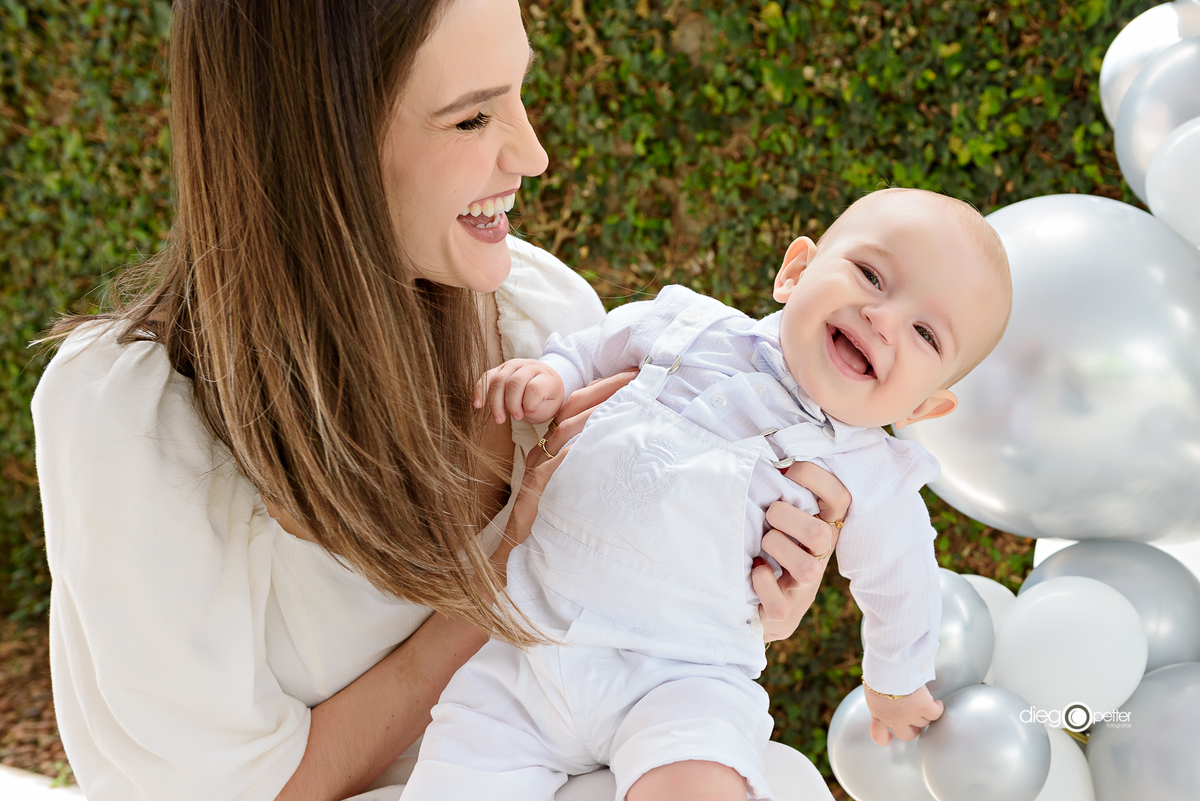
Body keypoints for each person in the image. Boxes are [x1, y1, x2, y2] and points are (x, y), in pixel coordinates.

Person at [29, 1, 849, 799]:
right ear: (319, 143)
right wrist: (499, 581)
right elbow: (246, 787)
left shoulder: (541, 314)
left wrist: (742, 591)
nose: (532, 155)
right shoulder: (136, 415)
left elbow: (619, 673)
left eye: (520, 95)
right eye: (470, 120)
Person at [416, 188, 1014, 801]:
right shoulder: (688, 323)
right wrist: (552, 377)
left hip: (686, 680)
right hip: (527, 645)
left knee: (701, 780)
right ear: (796, 271)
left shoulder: (867, 469)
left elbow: (902, 579)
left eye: (924, 333)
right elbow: (594, 347)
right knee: (460, 767)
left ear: (921, 407)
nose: (882, 319)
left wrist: (895, 681)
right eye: (870, 274)